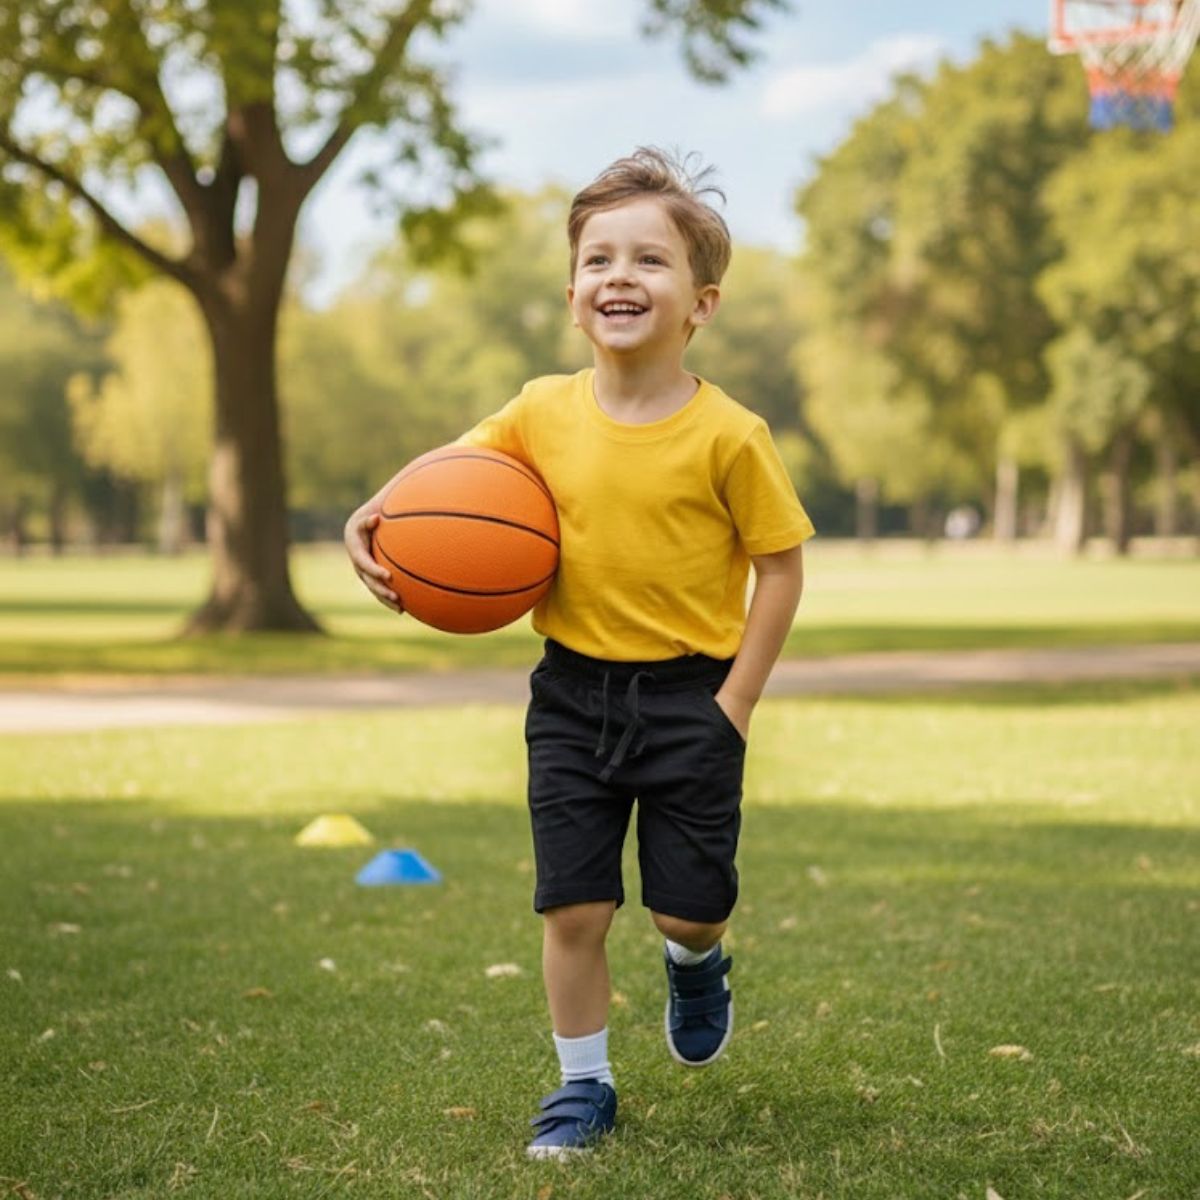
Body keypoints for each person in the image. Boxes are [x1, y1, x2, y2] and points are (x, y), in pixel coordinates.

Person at [345, 147, 815, 1158]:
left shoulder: (731, 435)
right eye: (599, 259)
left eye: (650, 261)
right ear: (572, 296)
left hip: (694, 697)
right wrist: (370, 516)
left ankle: (697, 966)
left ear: (703, 302)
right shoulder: (537, 410)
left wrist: (734, 707)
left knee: (687, 915)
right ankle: (583, 1088)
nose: (620, 277)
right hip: (570, 698)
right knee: (574, 908)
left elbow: (780, 571)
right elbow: (443, 479)